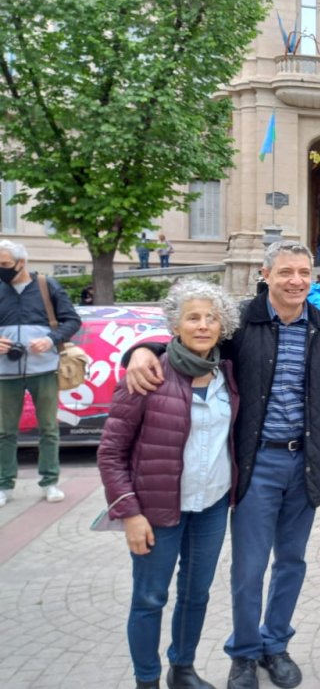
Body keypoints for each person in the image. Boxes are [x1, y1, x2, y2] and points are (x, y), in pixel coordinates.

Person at [126, 240, 320, 689]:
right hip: (256, 462)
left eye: (303, 272)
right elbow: (194, 342)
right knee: (248, 567)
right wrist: (141, 350)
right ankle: (244, 653)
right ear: (265, 275)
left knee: (291, 561)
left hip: (307, 464)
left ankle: (275, 644)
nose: (296, 281)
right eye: (285, 272)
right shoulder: (241, 322)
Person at [98, 281, 240, 689]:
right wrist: (129, 512)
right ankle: (147, 680)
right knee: (150, 598)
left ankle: (183, 669)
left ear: (222, 326)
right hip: (157, 510)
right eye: (193, 317)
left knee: (196, 594)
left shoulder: (228, 373)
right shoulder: (148, 374)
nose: (203, 325)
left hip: (211, 506)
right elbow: (111, 452)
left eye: (211, 318)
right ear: (175, 325)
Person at [0, 240, 82, 507]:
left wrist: (50, 339)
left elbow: (72, 320)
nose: (1, 269)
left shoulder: (48, 285)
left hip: (44, 369)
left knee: (48, 428)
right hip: (5, 372)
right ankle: (4, 484)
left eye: (4, 264)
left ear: (21, 262)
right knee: (4, 431)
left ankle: (50, 482)